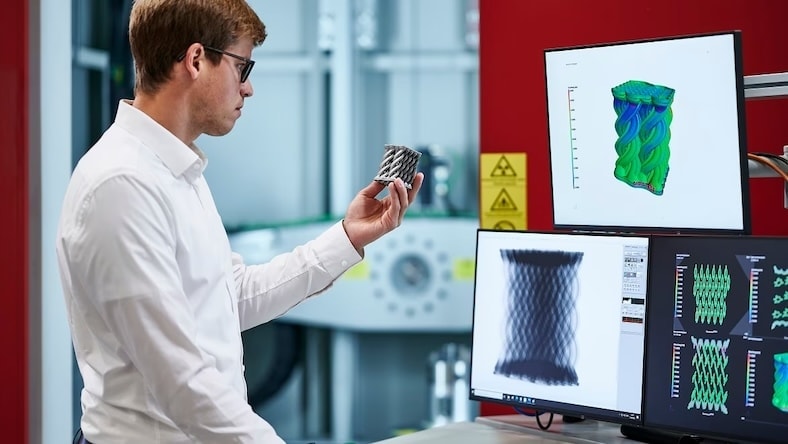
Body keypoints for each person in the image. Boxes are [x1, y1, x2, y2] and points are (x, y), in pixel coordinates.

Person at [56, 1, 424, 443]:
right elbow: (182, 381)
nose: (248, 89)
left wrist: (346, 239)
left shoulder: (175, 171)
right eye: (242, 67)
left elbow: (230, 299)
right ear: (195, 60)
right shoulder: (122, 185)